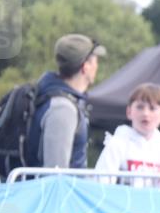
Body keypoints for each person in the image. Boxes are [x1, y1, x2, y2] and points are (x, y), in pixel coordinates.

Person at [26, 33, 106, 169]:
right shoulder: (63, 109)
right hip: (60, 190)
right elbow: (56, 172)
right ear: (85, 67)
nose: (97, 66)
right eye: (95, 61)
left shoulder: (59, 99)